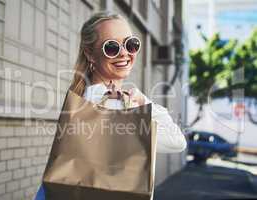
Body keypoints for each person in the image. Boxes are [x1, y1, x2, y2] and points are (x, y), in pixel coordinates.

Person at [69, 11, 187, 153]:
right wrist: (143, 101)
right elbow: (177, 141)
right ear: (90, 54)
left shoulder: (83, 97)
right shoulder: (115, 105)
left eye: (130, 44)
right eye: (111, 47)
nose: (124, 53)